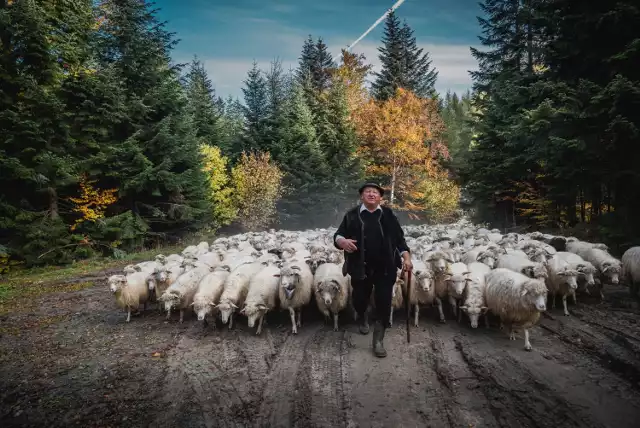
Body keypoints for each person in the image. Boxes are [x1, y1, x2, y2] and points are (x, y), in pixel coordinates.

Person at [334, 182, 412, 358]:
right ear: (362, 196)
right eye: (367, 192)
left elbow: (399, 240)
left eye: (375, 192)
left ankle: (378, 340)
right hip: (360, 267)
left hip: (386, 267)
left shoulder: (389, 215)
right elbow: (338, 235)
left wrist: (406, 257)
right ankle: (362, 316)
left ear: (380, 197)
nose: (371, 194)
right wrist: (342, 242)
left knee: (384, 302)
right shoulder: (352, 215)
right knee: (360, 299)